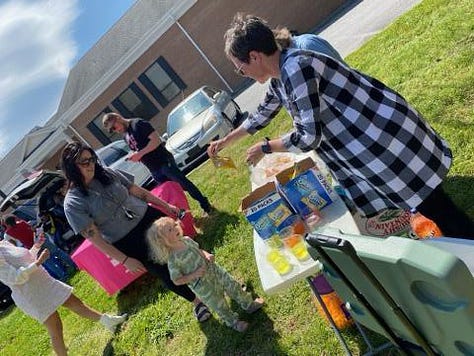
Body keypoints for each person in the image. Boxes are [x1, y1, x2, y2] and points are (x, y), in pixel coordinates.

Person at [208, 13, 473, 238]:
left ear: (254, 56)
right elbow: (261, 115)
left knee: (438, 208)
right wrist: (225, 141)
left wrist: (267, 147)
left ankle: (467, 244)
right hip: (371, 141)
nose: (242, 74)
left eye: (240, 68)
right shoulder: (281, 76)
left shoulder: (296, 68)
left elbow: (308, 136)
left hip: (382, 139)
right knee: (431, 203)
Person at [60, 142, 211, 322]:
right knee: (165, 271)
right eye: (84, 162)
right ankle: (197, 302)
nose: (91, 164)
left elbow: (140, 193)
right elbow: (96, 239)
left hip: (150, 218)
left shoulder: (107, 173)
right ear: (71, 168)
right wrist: (124, 260)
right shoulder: (72, 203)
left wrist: (167, 206)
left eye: (91, 158)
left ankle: (214, 280)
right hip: (128, 240)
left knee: (184, 248)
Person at [0, 236, 126, 356]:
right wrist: (38, 262)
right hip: (30, 294)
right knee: (55, 328)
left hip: (43, 282)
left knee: (75, 302)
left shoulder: (3, 243)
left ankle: (108, 321)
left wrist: (36, 246)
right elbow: (14, 277)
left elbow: (24, 259)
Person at [146, 216, 264, 332]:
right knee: (219, 305)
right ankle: (234, 322)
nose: (175, 228)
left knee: (233, 286)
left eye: (174, 225)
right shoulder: (173, 260)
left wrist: (207, 255)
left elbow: (199, 250)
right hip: (203, 286)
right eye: (170, 229)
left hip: (214, 271)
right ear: (163, 240)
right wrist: (194, 274)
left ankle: (249, 304)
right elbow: (177, 280)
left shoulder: (186, 240)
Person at [102, 113, 214, 216]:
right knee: (170, 193)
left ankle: (206, 205)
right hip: (153, 169)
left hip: (163, 161)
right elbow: (139, 148)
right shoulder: (125, 136)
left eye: (114, 127)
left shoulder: (139, 123)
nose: (115, 131)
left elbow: (156, 140)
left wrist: (140, 153)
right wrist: (135, 156)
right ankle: (184, 216)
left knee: (184, 184)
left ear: (118, 118)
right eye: (112, 130)